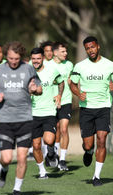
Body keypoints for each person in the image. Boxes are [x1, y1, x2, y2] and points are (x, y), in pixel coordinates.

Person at [0, 41, 42, 195]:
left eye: (16, 58)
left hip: (25, 119)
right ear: (6, 56)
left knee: (22, 157)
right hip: (4, 119)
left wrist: (34, 90)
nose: (13, 61)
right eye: (10, 58)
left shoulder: (29, 68)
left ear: (21, 56)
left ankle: (17, 191)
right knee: (6, 159)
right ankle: (3, 170)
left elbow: (39, 88)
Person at [70, 36, 113, 186]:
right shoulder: (79, 66)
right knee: (88, 144)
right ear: (85, 49)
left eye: (92, 47)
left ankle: (96, 176)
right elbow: (73, 84)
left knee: (101, 139)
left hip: (103, 108)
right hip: (86, 108)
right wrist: (78, 93)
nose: (90, 50)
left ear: (98, 47)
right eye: (87, 48)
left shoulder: (110, 65)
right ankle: (88, 152)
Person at [30, 47, 64, 178]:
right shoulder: (27, 73)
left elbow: (61, 83)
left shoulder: (52, 70)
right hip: (33, 113)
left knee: (49, 140)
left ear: (43, 58)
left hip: (49, 111)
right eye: (33, 59)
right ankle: (42, 171)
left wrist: (59, 95)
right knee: (36, 145)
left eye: (38, 58)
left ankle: (51, 152)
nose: (36, 61)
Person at [48, 42, 74, 170]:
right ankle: (52, 154)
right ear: (55, 53)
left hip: (66, 100)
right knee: (54, 131)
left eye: (66, 51)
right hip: (50, 102)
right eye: (63, 51)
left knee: (63, 129)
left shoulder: (69, 65)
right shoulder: (47, 65)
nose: (66, 54)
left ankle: (62, 160)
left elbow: (71, 82)